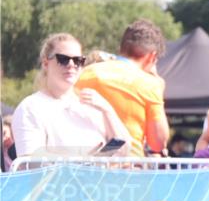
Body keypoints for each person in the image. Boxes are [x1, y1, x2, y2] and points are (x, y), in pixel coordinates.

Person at [12, 33, 132, 158]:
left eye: (78, 60)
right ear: (46, 63)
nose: (71, 65)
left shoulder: (94, 105)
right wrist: (81, 161)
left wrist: (107, 110)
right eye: (63, 59)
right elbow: (29, 162)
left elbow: (124, 152)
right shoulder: (31, 108)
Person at [75, 19, 168, 156]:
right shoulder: (150, 84)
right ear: (152, 57)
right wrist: (159, 91)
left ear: (122, 48)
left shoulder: (85, 72)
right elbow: (158, 143)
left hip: (86, 161)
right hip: (127, 164)